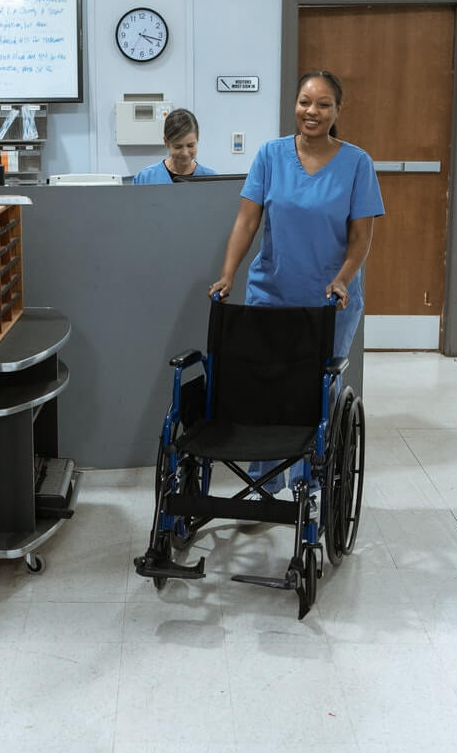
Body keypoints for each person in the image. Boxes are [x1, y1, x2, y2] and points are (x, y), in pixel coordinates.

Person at [208, 69, 385, 495]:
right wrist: (229, 272)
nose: (312, 111)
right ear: (295, 104)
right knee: (268, 385)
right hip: (272, 293)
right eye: (306, 101)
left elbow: (362, 236)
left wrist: (344, 279)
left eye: (324, 104)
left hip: (330, 302)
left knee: (315, 392)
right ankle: (265, 479)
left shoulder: (357, 163)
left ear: (337, 110)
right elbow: (247, 220)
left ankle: (310, 479)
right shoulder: (270, 155)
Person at [132, 108, 217, 184]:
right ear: (166, 142)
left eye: (190, 145)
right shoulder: (145, 178)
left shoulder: (211, 180)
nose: (185, 153)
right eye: (178, 147)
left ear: (197, 139)